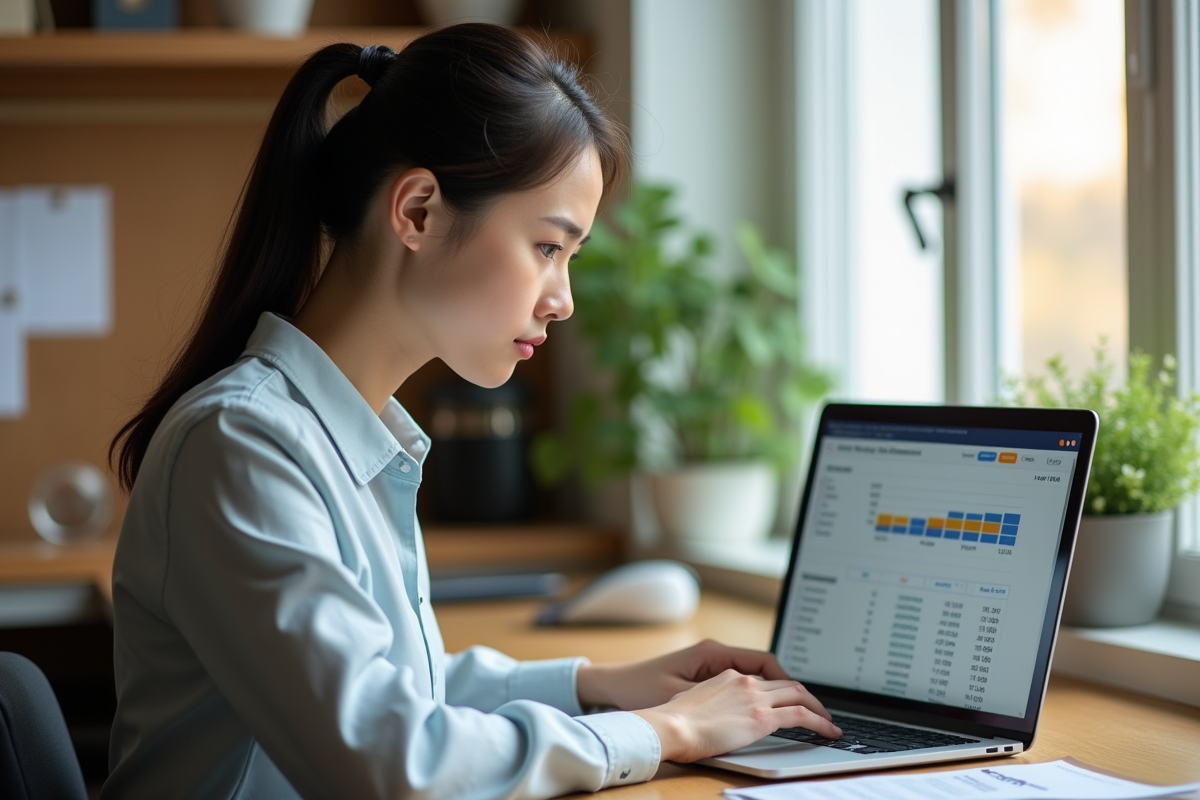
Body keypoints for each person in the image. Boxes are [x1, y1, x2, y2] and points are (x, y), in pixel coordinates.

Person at [101, 24, 841, 800]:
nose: (563, 302)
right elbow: (393, 759)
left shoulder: (346, 436)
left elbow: (393, 691)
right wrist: (670, 731)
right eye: (548, 248)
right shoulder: (242, 444)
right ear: (417, 211)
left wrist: (602, 683)